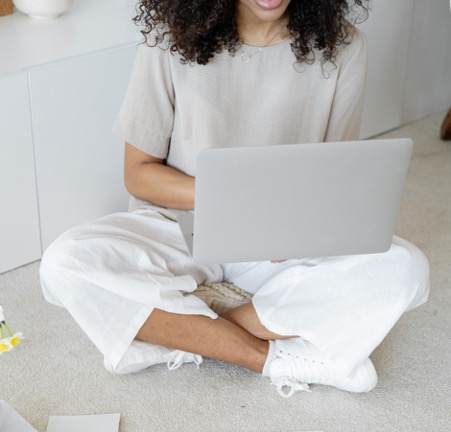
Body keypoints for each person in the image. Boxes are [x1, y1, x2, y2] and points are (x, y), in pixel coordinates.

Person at [40, 0, 430, 397]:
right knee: (64, 263)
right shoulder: (167, 39)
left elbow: (333, 178)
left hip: (280, 243)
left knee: (408, 269)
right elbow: (138, 173)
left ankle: (183, 329)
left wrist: (304, 228)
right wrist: (231, 199)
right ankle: (269, 358)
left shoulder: (343, 45)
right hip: (179, 225)